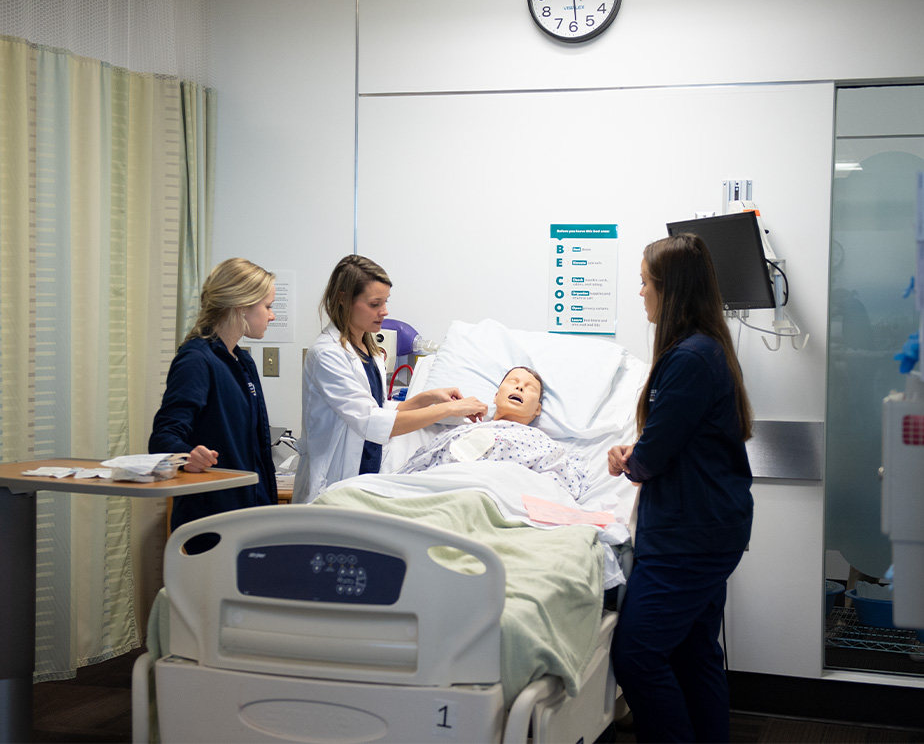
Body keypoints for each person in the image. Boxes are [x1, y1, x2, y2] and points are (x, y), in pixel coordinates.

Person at [606, 234, 754, 743]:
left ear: (669, 291)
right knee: (695, 655)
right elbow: (674, 442)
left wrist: (629, 458)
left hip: (689, 540)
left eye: (645, 284)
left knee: (637, 655)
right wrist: (641, 454)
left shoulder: (688, 359)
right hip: (709, 530)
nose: (640, 294)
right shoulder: (707, 350)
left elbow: (653, 456)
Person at [296, 254, 488, 501]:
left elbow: (380, 409)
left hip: (367, 477)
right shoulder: (327, 354)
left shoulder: (368, 348)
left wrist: (428, 398)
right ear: (343, 299)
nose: (384, 312)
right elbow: (371, 422)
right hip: (333, 478)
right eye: (375, 304)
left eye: (385, 302)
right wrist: (451, 409)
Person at [149, 258, 278, 540]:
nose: (272, 316)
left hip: (250, 512)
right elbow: (163, 437)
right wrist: (186, 456)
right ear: (242, 305)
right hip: (212, 519)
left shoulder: (242, 361)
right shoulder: (196, 360)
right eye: (267, 306)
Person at [399, 366, 589, 499]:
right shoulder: (461, 431)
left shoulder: (543, 443)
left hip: (494, 499)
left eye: (529, 388)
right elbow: (419, 465)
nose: (519, 387)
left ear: (537, 409)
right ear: (496, 397)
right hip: (438, 492)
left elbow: (557, 488)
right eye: (513, 381)